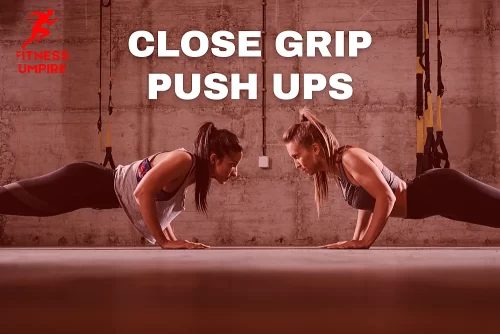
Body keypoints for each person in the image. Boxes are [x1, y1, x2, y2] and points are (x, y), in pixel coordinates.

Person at [0, 122, 243, 250]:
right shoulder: (184, 160)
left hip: (88, 191)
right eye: (232, 165)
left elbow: (160, 208)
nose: (235, 172)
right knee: (16, 200)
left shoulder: (192, 172)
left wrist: (176, 241)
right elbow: (143, 192)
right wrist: (164, 242)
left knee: (18, 202)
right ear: (214, 158)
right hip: (82, 182)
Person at [282, 108, 500, 249]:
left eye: (297, 156)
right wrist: (355, 239)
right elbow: (366, 200)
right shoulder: (337, 168)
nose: (296, 164)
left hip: (441, 189)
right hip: (435, 202)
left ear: (316, 149)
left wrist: (365, 242)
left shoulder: (349, 158)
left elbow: (387, 197)